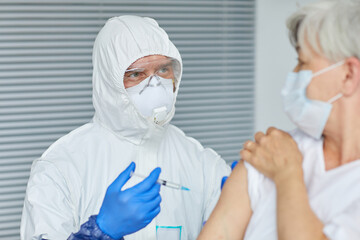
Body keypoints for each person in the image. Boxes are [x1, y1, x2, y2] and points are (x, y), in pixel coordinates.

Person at [21, 15, 230, 240]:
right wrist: (99, 232)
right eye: (136, 74)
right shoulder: (60, 167)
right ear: (109, 83)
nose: (155, 85)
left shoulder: (204, 165)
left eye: (162, 70)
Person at [198, 0, 360, 239]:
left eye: (302, 63)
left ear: (348, 75)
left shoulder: (281, 160)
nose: (293, 75)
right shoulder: (273, 151)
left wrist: (287, 176)